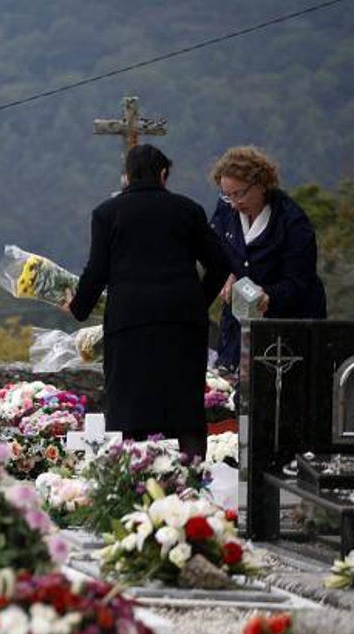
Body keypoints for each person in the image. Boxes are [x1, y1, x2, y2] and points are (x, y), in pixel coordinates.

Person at [62, 144, 231, 461]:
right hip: (182, 325)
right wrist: (195, 302)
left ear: (126, 176)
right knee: (186, 412)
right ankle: (194, 486)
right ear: (164, 174)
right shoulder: (189, 210)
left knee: (129, 411)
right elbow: (220, 265)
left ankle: (135, 488)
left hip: (129, 326)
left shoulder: (106, 214)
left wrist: (77, 307)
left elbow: (96, 271)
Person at [210, 145, 327, 370]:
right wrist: (225, 275)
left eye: (240, 193)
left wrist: (267, 295)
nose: (234, 203)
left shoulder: (292, 223)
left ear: (261, 184)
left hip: (285, 330)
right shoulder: (225, 210)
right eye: (228, 195)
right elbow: (215, 250)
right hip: (236, 326)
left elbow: (299, 283)